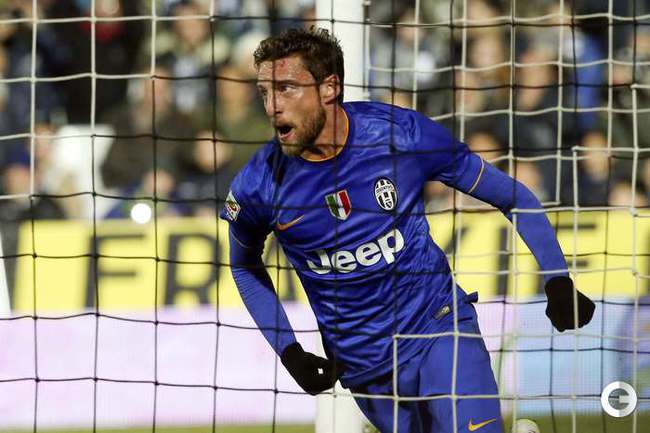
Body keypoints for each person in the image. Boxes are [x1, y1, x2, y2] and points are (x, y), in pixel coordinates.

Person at [220, 28, 596, 433]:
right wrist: (290, 351)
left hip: (438, 327)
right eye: (264, 92)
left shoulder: (400, 135)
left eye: (286, 89)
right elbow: (244, 266)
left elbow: (512, 197)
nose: (272, 106)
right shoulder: (259, 185)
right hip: (365, 368)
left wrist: (557, 278)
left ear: (330, 88)